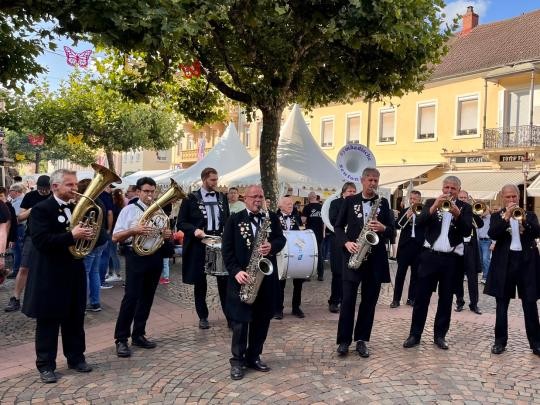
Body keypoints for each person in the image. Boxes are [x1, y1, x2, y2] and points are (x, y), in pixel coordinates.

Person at [22, 169, 94, 383]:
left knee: (75, 317)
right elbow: (41, 241)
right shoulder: (41, 210)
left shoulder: (78, 208)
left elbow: (93, 240)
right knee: (48, 320)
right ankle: (45, 365)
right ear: (55, 187)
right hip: (49, 273)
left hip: (74, 271)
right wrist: (71, 236)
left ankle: (76, 357)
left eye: (75, 184)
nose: (75, 189)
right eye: (70, 185)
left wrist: (92, 235)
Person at [222, 185, 286, 380]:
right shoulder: (234, 219)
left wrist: (272, 246)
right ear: (245, 198)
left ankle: (254, 356)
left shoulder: (271, 217)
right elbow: (227, 251)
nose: (258, 200)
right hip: (244, 278)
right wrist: (236, 272)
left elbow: (281, 239)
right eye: (254, 196)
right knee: (241, 323)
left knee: (262, 320)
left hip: (266, 279)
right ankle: (237, 361)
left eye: (261, 196)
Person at [403, 175, 472, 351]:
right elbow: (419, 222)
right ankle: (415, 335)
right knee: (421, 297)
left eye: (453, 189)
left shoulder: (465, 207)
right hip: (429, 256)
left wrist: (457, 214)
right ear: (442, 188)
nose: (449, 191)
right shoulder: (430, 203)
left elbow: (466, 231)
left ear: (458, 189)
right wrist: (434, 207)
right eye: (446, 188)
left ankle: (440, 336)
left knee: (446, 299)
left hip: (451, 259)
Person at [334, 168, 394, 357]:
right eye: (370, 180)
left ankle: (362, 340)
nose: (373, 184)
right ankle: (344, 341)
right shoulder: (350, 201)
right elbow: (337, 227)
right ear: (362, 180)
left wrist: (383, 227)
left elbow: (393, 231)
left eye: (376, 180)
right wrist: (346, 242)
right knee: (348, 301)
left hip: (375, 260)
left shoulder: (383, 203)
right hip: (353, 257)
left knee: (369, 303)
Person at [112, 177, 173, 358]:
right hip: (136, 256)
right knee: (131, 297)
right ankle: (121, 339)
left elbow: (162, 234)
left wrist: (166, 234)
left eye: (152, 191)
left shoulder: (159, 211)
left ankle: (139, 334)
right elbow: (116, 237)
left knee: (147, 297)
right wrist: (134, 231)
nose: (149, 195)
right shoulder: (129, 210)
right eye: (146, 191)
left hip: (154, 256)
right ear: (138, 192)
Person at [484, 184, 540, 356]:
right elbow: (493, 234)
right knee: (502, 304)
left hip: (526, 262)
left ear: (518, 196)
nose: (511, 200)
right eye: (507, 197)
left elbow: (537, 232)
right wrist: (506, 217)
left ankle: (536, 343)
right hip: (505, 263)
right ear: (503, 198)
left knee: (530, 304)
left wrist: (524, 224)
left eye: (513, 197)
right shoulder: (496, 216)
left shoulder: (529, 215)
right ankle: (500, 342)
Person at [178, 167, 230, 329]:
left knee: (224, 280)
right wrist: (194, 230)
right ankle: (203, 316)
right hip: (199, 244)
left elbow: (227, 219)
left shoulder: (222, 197)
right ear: (204, 179)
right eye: (213, 180)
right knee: (200, 282)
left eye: (216, 179)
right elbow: (181, 222)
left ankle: (230, 316)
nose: (216, 182)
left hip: (219, 242)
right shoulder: (190, 198)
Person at [5, 175, 51, 312]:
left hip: (51, 236)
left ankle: (46, 298)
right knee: (24, 268)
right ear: (37, 186)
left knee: (48, 268)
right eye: (41, 189)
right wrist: (33, 209)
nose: (43, 192)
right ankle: (15, 298)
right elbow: (20, 217)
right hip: (32, 236)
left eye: (46, 189)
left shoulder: (54, 196)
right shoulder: (30, 196)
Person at [77, 179, 109, 312]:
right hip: (101, 240)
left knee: (84, 273)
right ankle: (95, 303)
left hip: (91, 242)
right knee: (94, 272)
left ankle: (82, 306)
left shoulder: (86, 203)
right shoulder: (99, 201)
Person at [391, 190, 425, 308]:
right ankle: (396, 300)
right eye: (411, 199)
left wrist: (418, 215)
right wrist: (406, 216)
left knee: (415, 275)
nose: (413, 201)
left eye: (415, 199)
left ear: (420, 200)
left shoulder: (423, 212)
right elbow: (397, 225)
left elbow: (426, 225)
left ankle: (411, 298)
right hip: (405, 247)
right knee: (400, 274)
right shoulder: (405, 211)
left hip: (418, 247)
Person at [327, 182, 356, 313]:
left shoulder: (357, 204)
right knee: (337, 272)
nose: (352, 193)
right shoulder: (335, 203)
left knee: (350, 272)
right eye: (350, 191)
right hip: (338, 240)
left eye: (354, 191)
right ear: (343, 192)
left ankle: (346, 300)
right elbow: (333, 220)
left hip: (353, 241)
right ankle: (334, 301)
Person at [275, 196, 305, 319]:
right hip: (281, 254)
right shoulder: (274, 217)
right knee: (280, 282)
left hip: (296, 253)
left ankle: (296, 307)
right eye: (287, 203)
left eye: (291, 203)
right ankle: (278, 309)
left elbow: (302, 233)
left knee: (298, 282)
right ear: (280, 206)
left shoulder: (296, 217)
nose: (290, 205)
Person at [454, 190, 483, 315]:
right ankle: (460, 302)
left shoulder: (470, 210)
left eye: (465, 197)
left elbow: (480, 224)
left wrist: (473, 212)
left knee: (472, 277)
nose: (463, 199)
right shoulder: (454, 209)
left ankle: (474, 304)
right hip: (459, 246)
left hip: (470, 246)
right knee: (458, 276)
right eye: (461, 197)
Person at [302, 191, 324, 281]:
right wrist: (323, 232)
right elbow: (324, 222)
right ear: (316, 197)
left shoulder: (307, 207)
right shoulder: (322, 207)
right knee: (319, 254)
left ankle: (308, 275)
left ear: (308, 198)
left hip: (310, 234)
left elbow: (303, 221)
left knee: (309, 254)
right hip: (319, 234)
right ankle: (320, 275)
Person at [7, 183, 26, 280]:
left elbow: (17, 217)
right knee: (17, 249)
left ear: (16, 192)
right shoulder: (17, 200)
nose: (9, 192)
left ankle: (16, 270)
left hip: (18, 228)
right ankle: (17, 269)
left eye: (11, 190)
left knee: (17, 250)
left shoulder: (19, 201)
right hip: (18, 228)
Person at [477, 206, 492, 284]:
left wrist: (493, 242)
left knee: (485, 259)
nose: (482, 211)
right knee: (480, 259)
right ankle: (484, 275)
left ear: (488, 210)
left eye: (484, 209)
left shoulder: (491, 218)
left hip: (487, 241)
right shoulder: (479, 218)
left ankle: (486, 277)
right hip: (479, 240)